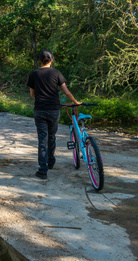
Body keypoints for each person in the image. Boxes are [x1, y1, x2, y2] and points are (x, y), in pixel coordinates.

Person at [27, 49, 81, 179]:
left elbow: (32, 94)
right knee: (51, 137)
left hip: (40, 110)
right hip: (54, 110)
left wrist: (41, 99)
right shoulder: (56, 73)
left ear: (40, 60)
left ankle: (43, 170)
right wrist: (76, 101)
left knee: (42, 139)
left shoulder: (34, 74)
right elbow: (66, 92)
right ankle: (50, 161)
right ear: (52, 60)